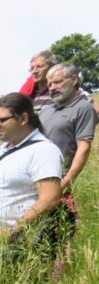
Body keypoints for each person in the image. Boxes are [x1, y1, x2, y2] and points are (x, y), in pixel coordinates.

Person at [0, 93, 64, 284]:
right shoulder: (4, 149)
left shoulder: (43, 150)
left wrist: (13, 230)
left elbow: (50, 198)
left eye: (2, 120)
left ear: (23, 118)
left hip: (10, 242)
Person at [39, 63, 96, 198]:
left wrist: (65, 184)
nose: (52, 88)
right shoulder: (45, 110)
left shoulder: (83, 108)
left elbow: (84, 148)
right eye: (50, 84)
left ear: (74, 80)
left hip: (59, 179)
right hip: (36, 178)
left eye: (57, 82)